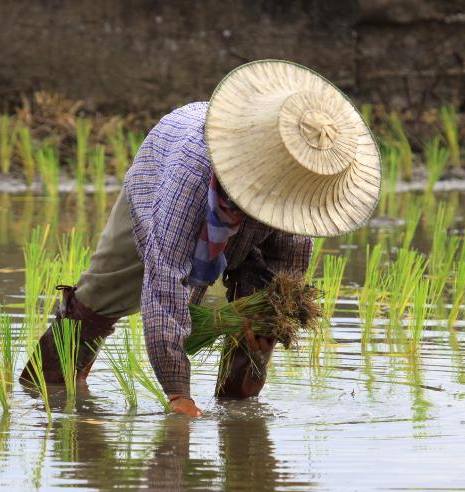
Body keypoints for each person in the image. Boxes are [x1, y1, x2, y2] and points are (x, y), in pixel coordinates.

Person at [21, 59, 381, 417]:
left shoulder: (303, 190)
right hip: (158, 185)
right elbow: (166, 283)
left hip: (249, 205)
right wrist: (178, 394)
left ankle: (239, 414)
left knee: (257, 319)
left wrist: (267, 324)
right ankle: (47, 386)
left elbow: (285, 278)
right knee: (100, 297)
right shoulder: (190, 174)